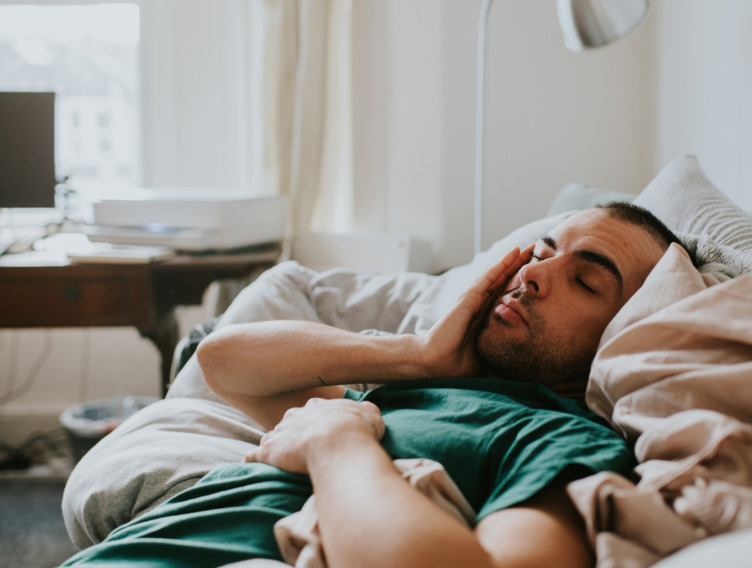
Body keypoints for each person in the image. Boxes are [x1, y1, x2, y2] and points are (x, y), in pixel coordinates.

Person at [61, 203, 681, 568]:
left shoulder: (564, 442)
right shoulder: (416, 393)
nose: (537, 277)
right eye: (542, 253)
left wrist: (336, 443)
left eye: (588, 281)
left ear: (625, 328)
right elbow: (223, 363)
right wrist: (417, 355)